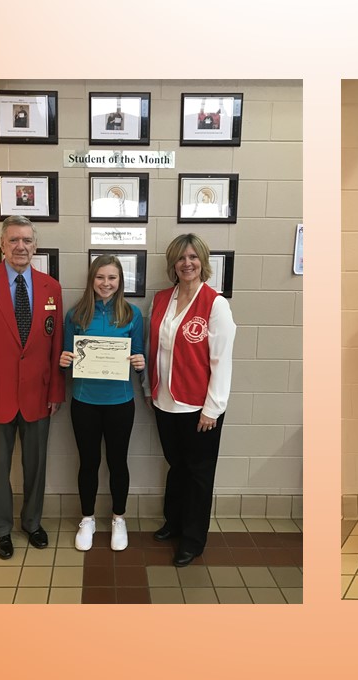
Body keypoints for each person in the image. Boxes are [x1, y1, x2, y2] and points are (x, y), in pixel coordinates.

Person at [0, 216, 64, 559]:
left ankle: (32, 523)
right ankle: (1, 529)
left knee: (36, 465)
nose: (21, 247)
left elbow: (55, 343)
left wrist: (55, 393)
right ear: (2, 245)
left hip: (39, 394)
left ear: (36, 246)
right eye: (14, 240)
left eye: (27, 241)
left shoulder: (51, 287)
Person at [147, 234, 236, 567]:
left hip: (199, 408)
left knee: (199, 474)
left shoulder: (215, 304)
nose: (187, 263)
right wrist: (148, 387)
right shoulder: (161, 300)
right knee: (177, 467)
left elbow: (221, 361)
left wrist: (213, 409)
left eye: (193, 257)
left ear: (202, 261)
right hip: (164, 402)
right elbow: (154, 347)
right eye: (181, 258)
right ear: (173, 263)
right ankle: (174, 522)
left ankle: (193, 539)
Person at [59, 255, 146, 552]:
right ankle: (88, 518)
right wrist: (63, 360)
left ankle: (118, 518)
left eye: (112, 278)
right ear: (91, 280)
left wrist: (139, 361)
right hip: (85, 401)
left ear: (120, 281)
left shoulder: (132, 314)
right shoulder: (76, 315)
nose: (106, 283)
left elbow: (139, 357)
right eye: (100, 277)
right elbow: (65, 358)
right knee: (89, 462)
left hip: (120, 402)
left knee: (118, 462)